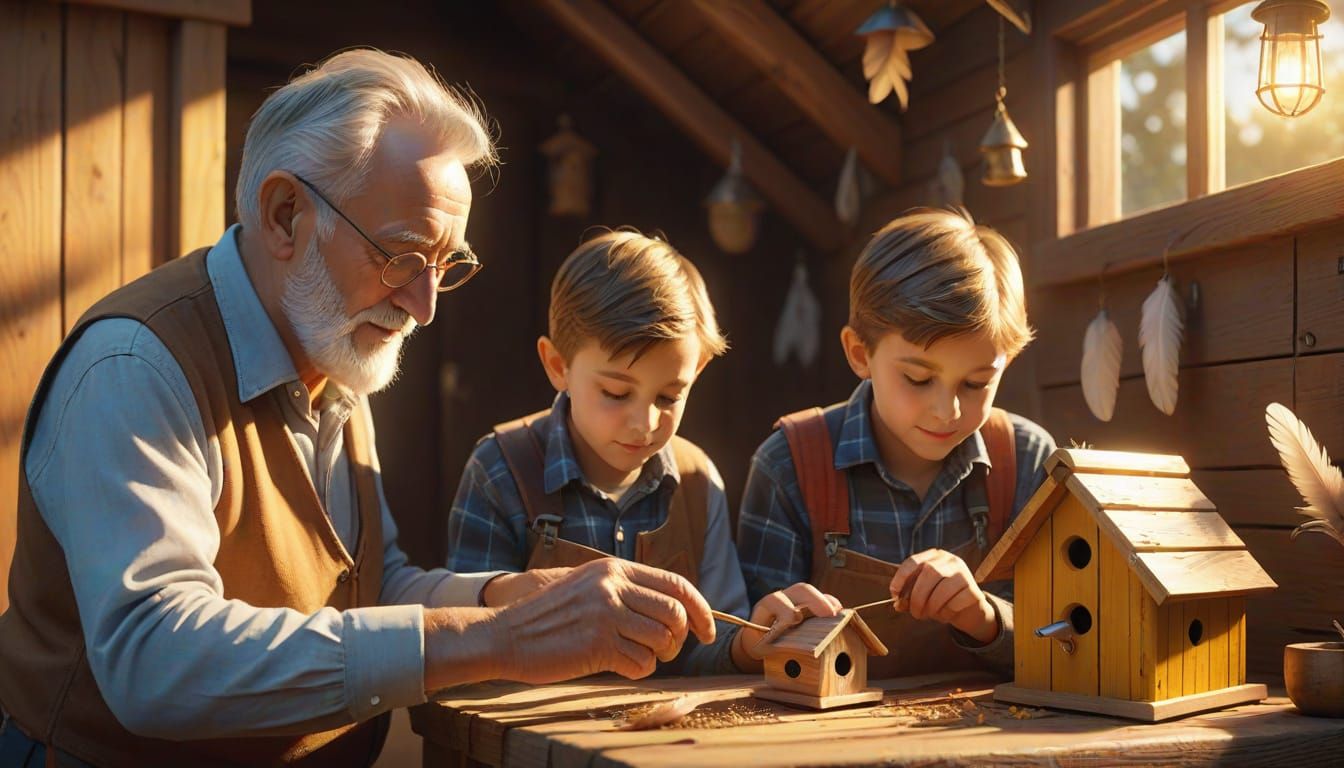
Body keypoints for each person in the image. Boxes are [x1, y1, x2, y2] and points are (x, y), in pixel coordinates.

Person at [0, 49, 718, 768]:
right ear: (286, 215)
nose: (424, 306)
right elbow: (152, 662)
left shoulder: (335, 348)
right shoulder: (135, 366)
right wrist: (495, 641)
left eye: (447, 266)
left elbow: (370, 587)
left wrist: (511, 600)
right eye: (403, 257)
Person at [446, 230, 840, 676]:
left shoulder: (696, 481)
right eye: (615, 393)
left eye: (669, 396)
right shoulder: (500, 470)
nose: (646, 423)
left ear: (698, 372)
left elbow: (711, 641)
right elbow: (471, 642)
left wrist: (750, 642)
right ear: (559, 366)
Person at [736, 208, 1057, 680]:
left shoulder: (1026, 460)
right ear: (859, 353)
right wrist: (770, 635)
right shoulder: (789, 464)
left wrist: (987, 620)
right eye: (918, 378)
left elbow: (1068, 639)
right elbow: (746, 652)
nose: (947, 410)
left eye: (975, 384)